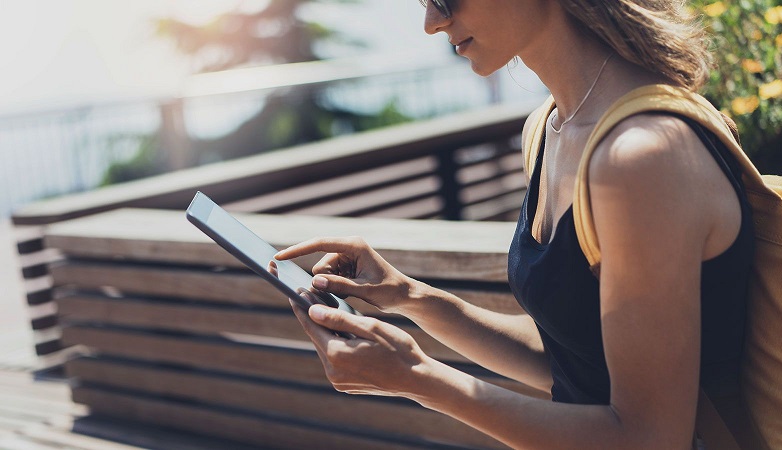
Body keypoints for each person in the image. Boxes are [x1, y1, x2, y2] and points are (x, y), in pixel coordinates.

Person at [274, 0, 754, 448]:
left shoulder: (640, 157)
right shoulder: (550, 128)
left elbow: (649, 438)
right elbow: (576, 360)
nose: (432, 23)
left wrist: (417, 378)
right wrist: (410, 296)